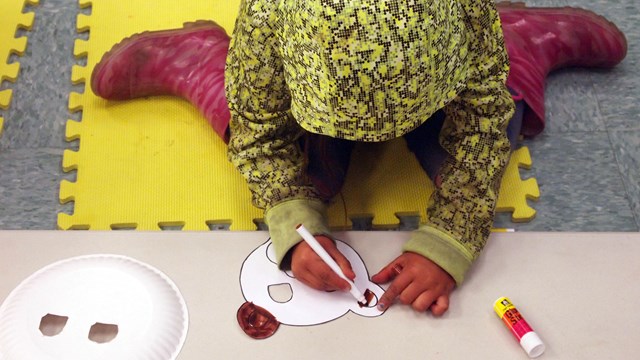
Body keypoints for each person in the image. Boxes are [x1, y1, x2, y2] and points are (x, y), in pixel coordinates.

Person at [91, 1, 627, 315]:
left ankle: (522, 40)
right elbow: (259, 135)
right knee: (306, 173)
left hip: (444, 83)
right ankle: (202, 59)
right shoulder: (272, 19)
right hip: (301, 98)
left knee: (482, 141)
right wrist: (293, 221)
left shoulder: (462, 16)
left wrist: (451, 238)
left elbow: (482, 123)